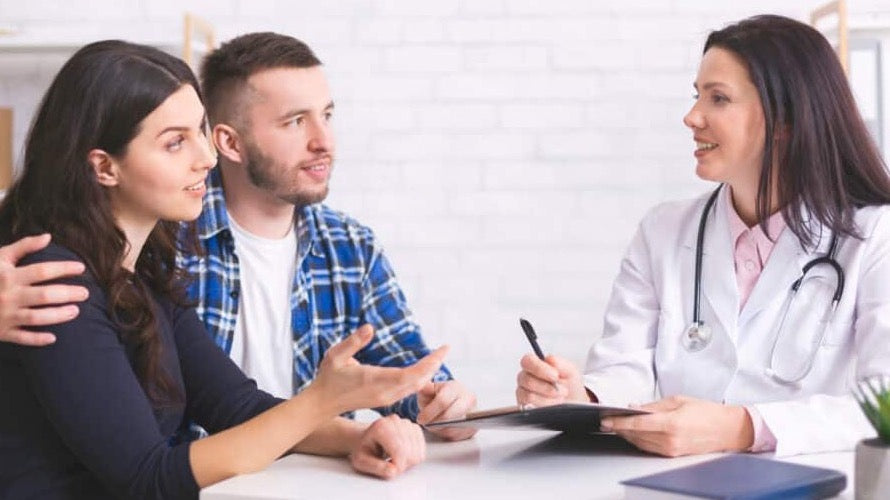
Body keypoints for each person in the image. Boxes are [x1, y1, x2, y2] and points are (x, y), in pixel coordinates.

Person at [0, 31, 477, 468]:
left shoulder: (147, 267)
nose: (205, 159)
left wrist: (369, 431)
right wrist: (322, 402)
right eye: (175, 143)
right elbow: (148, 475)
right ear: (105, 168)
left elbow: (238, 406)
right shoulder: (59, 277)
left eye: (327, 116)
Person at [515, 14, 890, 458]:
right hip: (674, 481)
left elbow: (882, 402)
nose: (692, 117)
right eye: (698, 96)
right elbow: (625, 366)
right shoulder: (663, 231)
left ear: (785, 119)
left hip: (813, 481)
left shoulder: (874, 236)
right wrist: (580, 396)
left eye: (719, 98)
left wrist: (743, 428)